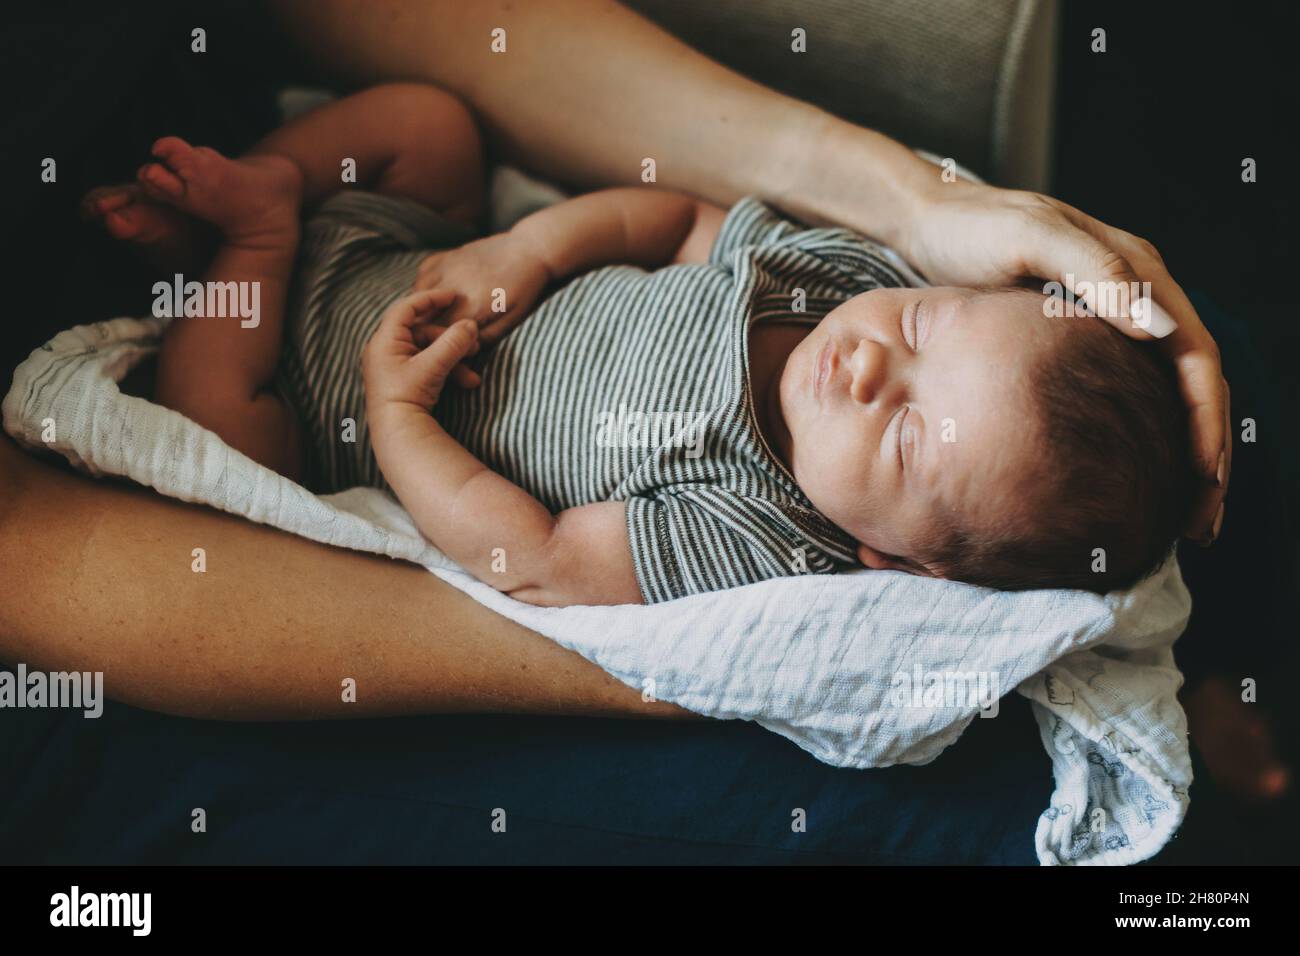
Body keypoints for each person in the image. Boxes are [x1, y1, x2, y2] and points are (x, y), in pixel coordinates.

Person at [2, 0, 1228, 715]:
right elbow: (672, 219)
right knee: (432, 127)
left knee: (223, 428)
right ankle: (269, 190)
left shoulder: (752, 529)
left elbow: (528, 558)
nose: (867, 365)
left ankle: (251, 236)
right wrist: (526, 253)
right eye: (922, 331)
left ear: (886, 560)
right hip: (437, 257)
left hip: (326, 390)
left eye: (908, 435)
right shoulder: (843, 284)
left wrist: (396, 422)